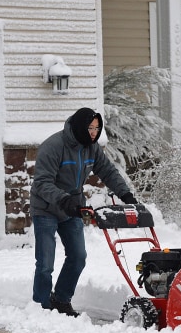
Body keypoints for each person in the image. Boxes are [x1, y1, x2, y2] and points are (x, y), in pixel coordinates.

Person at [30, 107, 137, 316]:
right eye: (90, 128)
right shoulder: (53, 147)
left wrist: (126, 195)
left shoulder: (92, 148)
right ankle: (41, 307)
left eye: (97, 128)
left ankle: (61, 299)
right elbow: (42, 183)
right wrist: (64, 199)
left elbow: (107, 171)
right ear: (80, 127)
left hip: (73, 207)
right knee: (45, 263)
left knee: (78, 256)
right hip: (46, 208)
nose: (94, 133)